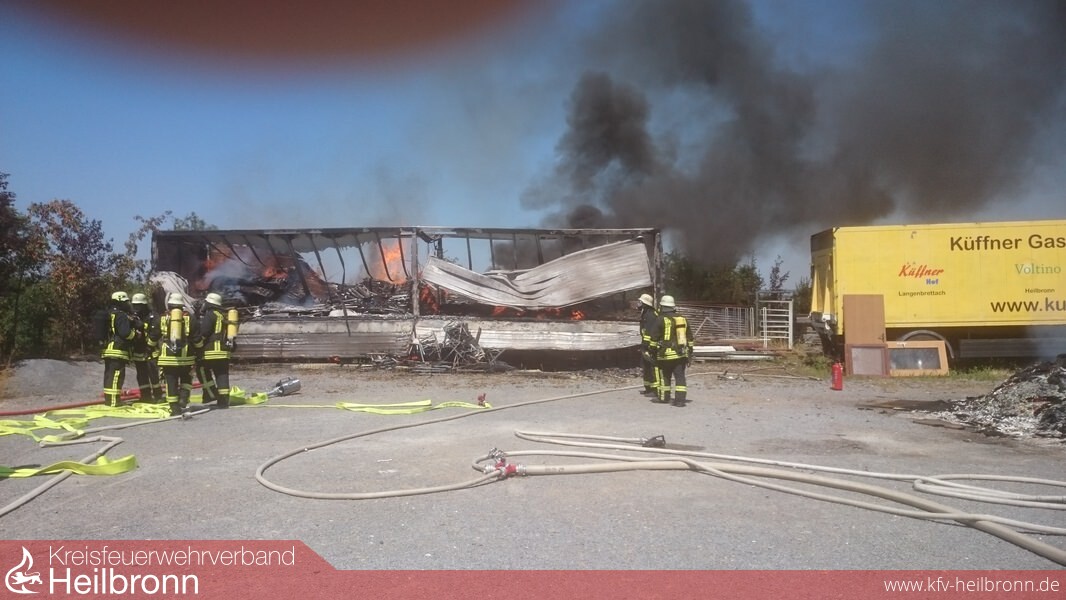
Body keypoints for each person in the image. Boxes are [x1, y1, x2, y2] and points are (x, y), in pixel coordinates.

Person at [156, 292, 203, 416]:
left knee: (170, 381)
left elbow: (153, 335)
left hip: (167, 356)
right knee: (186, 378)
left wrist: (150, 347)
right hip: (186, 356)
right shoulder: (190, 318)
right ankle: (183, 398)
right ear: (182, 305)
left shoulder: (162, 318)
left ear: (169, 305)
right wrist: (199, 351)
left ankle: (174, 408)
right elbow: (196, 338)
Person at [648, 295, 694, 407]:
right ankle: (680, 401)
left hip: (665, 355)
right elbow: (690, 338)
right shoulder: (683, 319)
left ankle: (664, 398)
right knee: (680, 377)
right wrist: (689, 353)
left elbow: (653, 338)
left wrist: (652, 351)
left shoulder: (660, 319)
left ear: (662, 306)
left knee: (665, 376)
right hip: (681, 354)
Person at [196, 292, 234, 409]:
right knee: (222, 374)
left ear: (209, 303)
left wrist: (197, 345)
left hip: (211, 351)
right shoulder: (223, 315)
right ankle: (224, 401)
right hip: (224, 351)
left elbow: (204, 332)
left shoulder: (210, 315)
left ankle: (211, 394)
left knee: (201, 369)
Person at [101, 291, 137, 407]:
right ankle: (114, 401)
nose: (127, 304)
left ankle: (108, 400)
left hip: (108, 349)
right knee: (117, 375)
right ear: (121, 301)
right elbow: (125, 333)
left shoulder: (109, 313)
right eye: (126, 302)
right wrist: (135, 334)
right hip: (118, 350)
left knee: (109, 376)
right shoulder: (121, 315)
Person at [129, 293, 163, 402]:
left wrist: (149, 346)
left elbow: (156, 332)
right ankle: (145, 396)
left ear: (144, 305)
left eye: (138, 305)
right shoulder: (134, 317)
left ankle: (158, 395)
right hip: (138, 350)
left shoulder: (153, 316)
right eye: (135, 305)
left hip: (151, 351)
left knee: (153, 374)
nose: (136, 308)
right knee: (141, 375)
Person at [636, 293, 659, 396]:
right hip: (645, 344)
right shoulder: (645, 313)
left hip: (650, 346)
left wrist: (646, 346)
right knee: (646, 367)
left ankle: (655, 390)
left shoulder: (651, 315)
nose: (638, 303)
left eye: (640, 302)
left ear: (645, 303)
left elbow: (650, 332)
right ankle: (648, 388)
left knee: (652, 367)